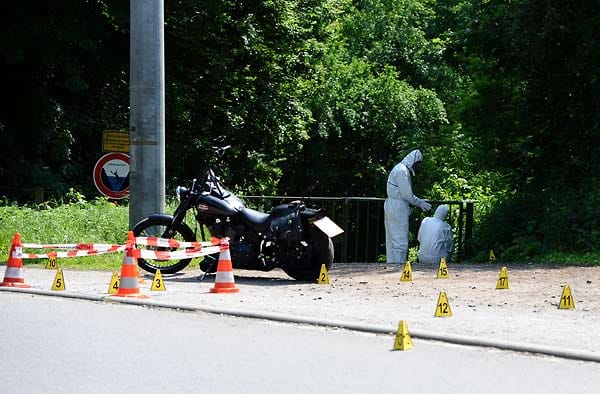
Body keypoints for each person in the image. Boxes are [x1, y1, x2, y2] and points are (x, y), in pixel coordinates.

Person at [384, 149, 431, 264]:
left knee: (392, 238)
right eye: (417, 163)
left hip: (393, 205)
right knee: (400, 238)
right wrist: (419, 202)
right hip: (398, 206)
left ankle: (391, 263)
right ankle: (398, 265)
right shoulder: (402, 171)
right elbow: (407, 194)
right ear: (413, 161)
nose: (417, 166)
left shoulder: (400, 169)